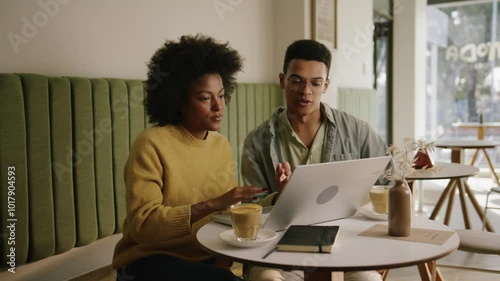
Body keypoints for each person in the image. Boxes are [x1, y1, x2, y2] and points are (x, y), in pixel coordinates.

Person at [112, 34, 266, 281]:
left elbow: (225, 219)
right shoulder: (151, 143)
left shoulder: (220, 145)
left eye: (222, 95)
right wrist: (211, 204)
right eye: (205, 98)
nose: (219, 106)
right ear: (180, 101)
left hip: (203, 260)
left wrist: (222, 262)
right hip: (147, 261)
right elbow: (143, 226)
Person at [241, 39, 388, 281]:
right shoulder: (257, 142)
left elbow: (388, 181)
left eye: (315, 83)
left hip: (346, 242)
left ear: (326, 85)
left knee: (368, 280)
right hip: (280, 247)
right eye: (296, 81)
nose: (305, 91)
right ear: (282, 81)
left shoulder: (357, 131)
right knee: (266, 279)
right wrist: (281, 197)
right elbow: (253, 210)